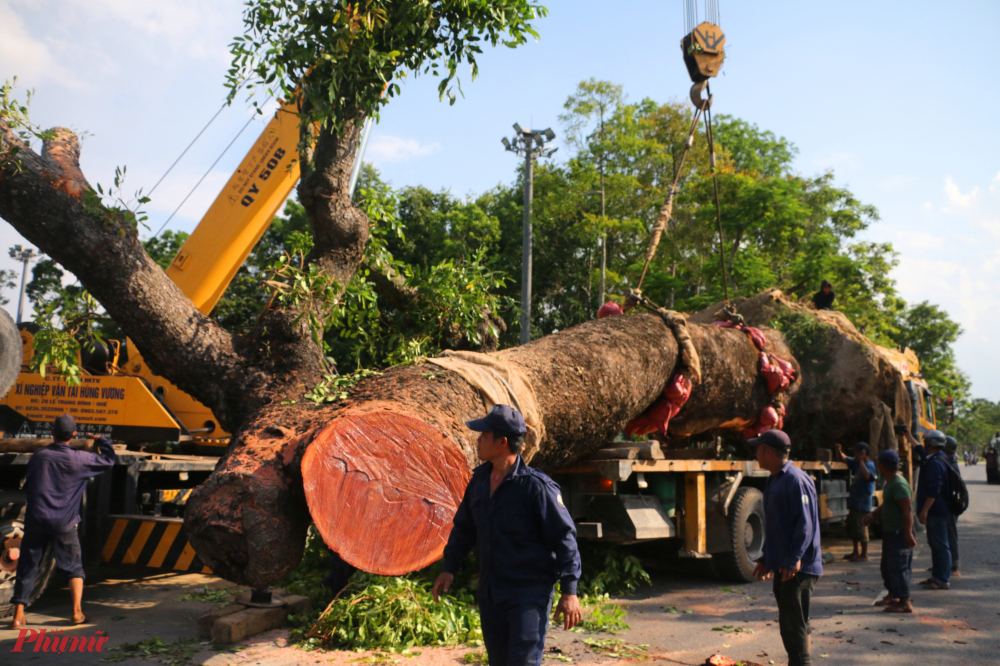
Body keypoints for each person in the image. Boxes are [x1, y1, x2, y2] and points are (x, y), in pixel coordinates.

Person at [433, 404, 582, 666]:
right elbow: (464, 528)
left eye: (483, 435)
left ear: (502, 442)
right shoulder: (479, 481)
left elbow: (564, 538)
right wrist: (449, 568)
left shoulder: (537, 488)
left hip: (528, 595)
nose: (477, 440)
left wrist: (569, 592)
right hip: (492, 593)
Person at [8, 415, 116, 629]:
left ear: (52, 434)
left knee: (28, 567)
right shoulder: (81, 459)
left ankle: (18, 616)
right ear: (74, 434)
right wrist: (103, 440)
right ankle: (76, 612)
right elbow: (109, 461)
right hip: (64, 524)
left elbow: (29, 481)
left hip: (37, 521)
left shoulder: (40, 455)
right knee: (73, 568)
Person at [751, 430, 823, 666]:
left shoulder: (795, 480)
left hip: (797, 568)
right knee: (798, 622)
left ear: (768, 452)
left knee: (792, 627)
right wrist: (766, 558)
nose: (756, 455)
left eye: (758, 450)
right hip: (785, 565)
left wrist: (794, 558)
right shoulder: (774, 479)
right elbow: (779, 526)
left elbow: (805, 524)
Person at [863, 450, 916, 613]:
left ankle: (905, 602)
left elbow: (907, 509)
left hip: (899, 533)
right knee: (888, 566)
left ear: (882, 466)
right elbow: (889, 505)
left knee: (899, 567)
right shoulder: (891, 482)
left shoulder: (899, 484)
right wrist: (873, 515)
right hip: (891, 532)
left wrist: (907, 533)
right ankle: (892, 595)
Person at [915, 430, 951, 590]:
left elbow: (934, 491)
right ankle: (937, 576)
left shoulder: (936, 463)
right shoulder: (936, 458)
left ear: (930, 443)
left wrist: (924, 511)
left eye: (926, 441)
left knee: (941, 545)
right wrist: (909, 435)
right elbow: (919, 449)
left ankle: (942, 579)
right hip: (936, 510)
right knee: (935, 545)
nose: (924, 444)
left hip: (936, 510)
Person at [832, 442, 876, 562]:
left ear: (863, 453)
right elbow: (843, 458)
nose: (854, 455)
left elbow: (867, 476)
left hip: (863, 502)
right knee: (853, 527)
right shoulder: (856, 463)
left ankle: (864, 554)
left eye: (856, 452)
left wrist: (861, 461)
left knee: (862, 527)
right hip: (855, 501)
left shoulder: (869, 465)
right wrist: (838, 450)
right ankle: (855, 551)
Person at [943, 436, 961, 576]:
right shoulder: (950, 461)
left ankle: (954, 565)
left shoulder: (950, 464)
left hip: (950, 506)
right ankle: (945, 563)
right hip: (949, 505)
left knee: (950, 534)